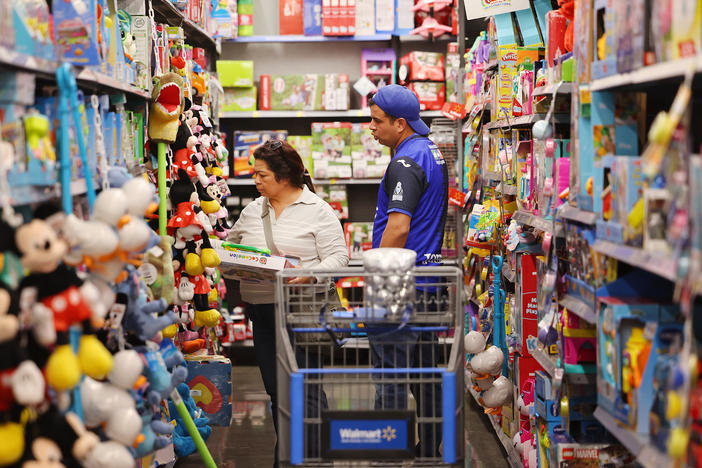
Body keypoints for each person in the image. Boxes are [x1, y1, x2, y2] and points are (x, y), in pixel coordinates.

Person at [227, 140, 349, 467]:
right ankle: (291, 455)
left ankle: (308, 458)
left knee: (305, 390)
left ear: (283, 176)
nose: (255, 180)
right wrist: (230, 260)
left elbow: (339, 257)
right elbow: (231, 246)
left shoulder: (318, 210)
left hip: (305, 311)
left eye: (261, 174)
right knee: (277, 391)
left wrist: (309, 273)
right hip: (264, 313)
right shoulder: (254, 209)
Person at [367, 84, 449, 458]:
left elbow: (399, 227)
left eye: (376, 121)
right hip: (427, 280)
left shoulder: (404, 162)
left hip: (400, 285)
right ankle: (428, 450)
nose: (371, 128)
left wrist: (376, 275)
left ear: (400, 124)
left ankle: (391, 451)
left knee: (390, 378)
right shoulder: (431, 151)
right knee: (425, 374)